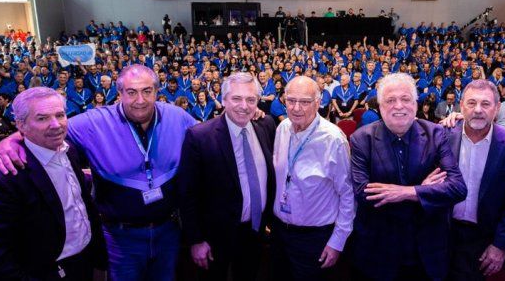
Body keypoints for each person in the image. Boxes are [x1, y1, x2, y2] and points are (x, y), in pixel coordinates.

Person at [0, 65, 197, 281]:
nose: (140, 100)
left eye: (147, 91)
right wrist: (11, 139)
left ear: (157, 91)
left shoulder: (177, 116)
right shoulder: (94, 122)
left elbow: (205, 137)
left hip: (168, 231)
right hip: (120, 236)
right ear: (119, 94)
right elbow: (52, 128)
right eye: (131, 92)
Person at [0, 87, 104, 280]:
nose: (56, 125)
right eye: (42, 118)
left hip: (83, 262)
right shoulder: (3, 179)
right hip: (45, 272)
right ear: (21, 125)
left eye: (60, 115)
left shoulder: (69, 151)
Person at [349, 73, 467, 281]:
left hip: (427, 249)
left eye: (405, 99)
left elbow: (457, 188)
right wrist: (425, 192)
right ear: (380, 106)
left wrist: (407, 192)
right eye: (390, 100)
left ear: (415, 103)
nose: (399, 106)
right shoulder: (361, 139)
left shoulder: (435, 133)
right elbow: (364, 194)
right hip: (380, 249)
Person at [178, 73, 277, 281]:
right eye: (236, 98)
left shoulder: (265, 125)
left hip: (255, 232)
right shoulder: (199, 136)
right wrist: (196, 240)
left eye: (251, 100)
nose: (244, 105)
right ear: (223, 99)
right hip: (214, 238)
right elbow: (187, 193)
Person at [271, 76, 354, 281]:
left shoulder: (333, 139)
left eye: (305, 102)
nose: (296, 108)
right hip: (280, 233)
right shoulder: (282, 129)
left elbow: (347, 194)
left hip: (315, 239)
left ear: (318, 103)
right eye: (291, 100)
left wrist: (337, 241)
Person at [444, 80, 505, 280]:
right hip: (443, 232)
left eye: (486, 104)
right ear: (461, 106)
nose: (478, 110)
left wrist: (501, 244)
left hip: (484, 238)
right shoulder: (442, 135)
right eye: (471, 103)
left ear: (497, 108)